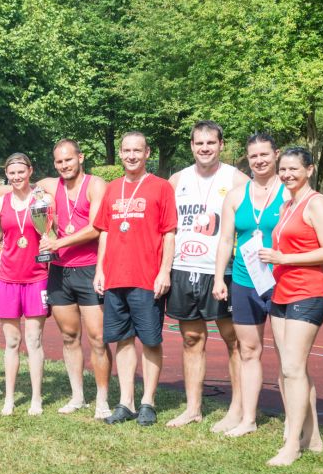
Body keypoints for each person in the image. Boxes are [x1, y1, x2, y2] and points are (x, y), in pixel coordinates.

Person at [165, 120, 248, 430]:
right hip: (184, 269)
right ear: (191, 146)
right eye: (199, 143)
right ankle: (193, 408)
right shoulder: (177, 180)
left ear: (221, 145)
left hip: (222, 271)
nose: (205, 148)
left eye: (210, 143)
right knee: (191, 339)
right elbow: (166, 227)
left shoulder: (237, 179)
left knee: (233, 340)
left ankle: (237, 410)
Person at [93, 132, 177, 426]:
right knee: (123, 339)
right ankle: (126, 401)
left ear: (147, 153)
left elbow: (169, 233)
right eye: (127, 150)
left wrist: (164, 271)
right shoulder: (112, 188)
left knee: (151, 341)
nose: (131, 156)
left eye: (137, 151)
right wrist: (100, 269)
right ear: (121, 153)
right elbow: (105, 232)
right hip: (116, 276)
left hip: (147, 277)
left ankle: (148, 402)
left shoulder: (161, 187)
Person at [258, 147, 323, 466]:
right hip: (282, 292)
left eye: (294, 169)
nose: (287, 174)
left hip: (310, 292)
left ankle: (292, 445)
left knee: (292, 367)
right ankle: (312, 438)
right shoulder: (286, 205)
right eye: (283, 169)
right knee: (290, 368)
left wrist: (284, 258)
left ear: (310, 170)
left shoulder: (317, 203)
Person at [213, 133, 286, 437]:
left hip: (281, 281)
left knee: (287, 356)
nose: (259, 160)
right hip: (244, 281)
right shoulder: (236, 195)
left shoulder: (289, 192)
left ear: (276, 154)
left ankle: (295, 423)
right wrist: (219, 277)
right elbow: (225, 240)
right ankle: (248, 419)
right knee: (248, 350)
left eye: (264, 154)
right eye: (253, 156)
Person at [36, 140, 111, 418]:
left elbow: (96, 228)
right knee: (69, 336)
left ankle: (102, 399)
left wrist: (58, 242)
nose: (64, 165)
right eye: (59, 161)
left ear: (80, 157)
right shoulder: (49, 185)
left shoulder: (95, 185)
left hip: (89, 268)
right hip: (60, 270)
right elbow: (14, 187)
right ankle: (77, 396)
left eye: (68, 160)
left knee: (98, 338)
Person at [0, 153, 49, 416]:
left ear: (30, 171)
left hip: (36, 277)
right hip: (7, 278)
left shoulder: (43, 200)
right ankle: (9, 399)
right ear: (6, 174)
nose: (16, 177)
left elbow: (51, 232)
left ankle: (36, 398)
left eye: (21, 172)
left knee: (34, 340)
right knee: (12, 341)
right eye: (12, 173)